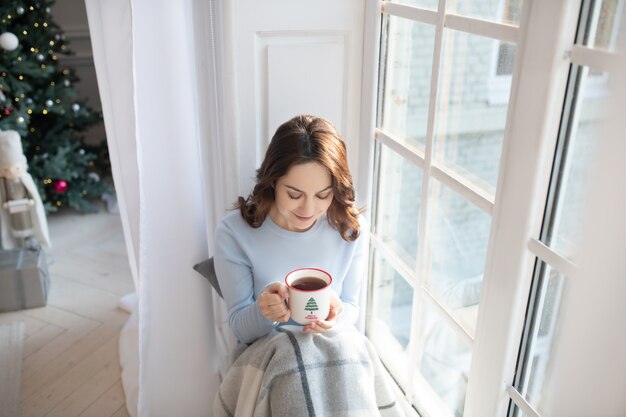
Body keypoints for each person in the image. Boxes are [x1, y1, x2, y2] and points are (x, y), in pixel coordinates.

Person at [214, 114, 369, 345]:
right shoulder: (234, 232)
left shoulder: (349, 229)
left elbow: (351, 306)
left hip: (328, 346)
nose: (308, 209)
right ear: (273, 181)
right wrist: (264, 312)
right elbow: (240, 329)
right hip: (268, 355)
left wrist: (337, 317)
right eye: (294, 195)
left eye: (322, 195)